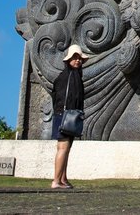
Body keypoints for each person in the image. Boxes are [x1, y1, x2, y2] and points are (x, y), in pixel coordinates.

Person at [50, 44, 91, 189]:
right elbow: (61, 97)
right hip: (64, 115)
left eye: (79, 58)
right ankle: (56, 180)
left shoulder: (75, 76)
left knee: (66, 149)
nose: (78, 61)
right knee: (62, 148)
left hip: (69, 115)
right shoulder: (66, 76)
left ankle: (63, 179)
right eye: (75, 58)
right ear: (68, 60)